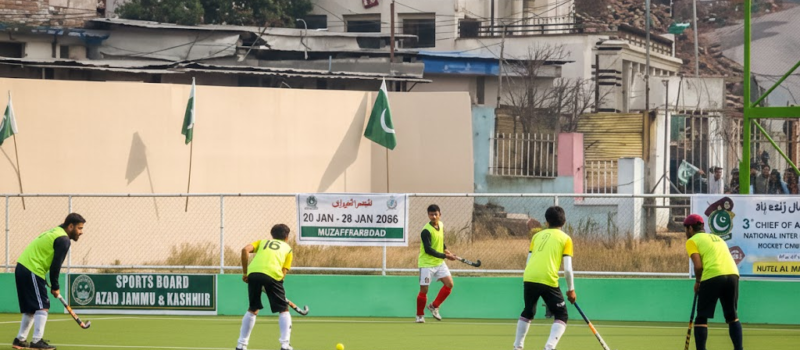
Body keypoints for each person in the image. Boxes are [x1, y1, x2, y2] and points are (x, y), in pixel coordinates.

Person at [13, 213, 85, 350]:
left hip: (23, 267)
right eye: (79, 228)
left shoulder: (56, 231)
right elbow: (55, 265)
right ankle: (37, 341)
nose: (81, 232)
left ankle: (20, 340)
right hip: (32, 269)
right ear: (70, 226)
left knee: (31, 308)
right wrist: (55, 286)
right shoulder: (64, 240)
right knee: (43, 306)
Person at [513, 206, 575, 350]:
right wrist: (571, 290)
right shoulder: (566, 239)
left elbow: (528, 261)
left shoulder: (536, 236)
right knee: (561, 314)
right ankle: (549, 347)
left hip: (529, 276)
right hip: (547, 278)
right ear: (564, 221)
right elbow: (567, 268)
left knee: (528, 311)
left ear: (546, 222)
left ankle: (517, 347)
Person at [684, 214, 742, 350]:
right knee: (732, 316)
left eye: (686, 229)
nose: (685, 233)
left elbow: (698, 266)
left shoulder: (692, 241)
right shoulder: (718, 238)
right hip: (733, 274)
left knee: (701, 318)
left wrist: (698, 282)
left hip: (712, 276)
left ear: (691, 228)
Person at [236, 224, 294, 350]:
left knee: (253, 309)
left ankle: (241, 345)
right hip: (273, 275)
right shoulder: (288, 249)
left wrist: (245, 273)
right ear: (287, 237)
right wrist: (274, 288)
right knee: (283, 309)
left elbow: (244, 250)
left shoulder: (262, 242)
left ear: (272, 235)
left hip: (253, 274)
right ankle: (285, 344)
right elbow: (283, 274)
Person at [416, 204, 457, 323]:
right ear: (428, 215)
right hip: (426, 264)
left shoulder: (441, 224)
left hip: (439, 263)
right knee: (424, 290)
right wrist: (446, 256)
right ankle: (419, 316)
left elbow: (440, 241)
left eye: (435, 214)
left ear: (440, 214)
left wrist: (446, 250)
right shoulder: (425, 231)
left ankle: (434, 306)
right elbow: (428, 250)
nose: (433, 216)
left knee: (449, 284)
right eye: (431, 214)